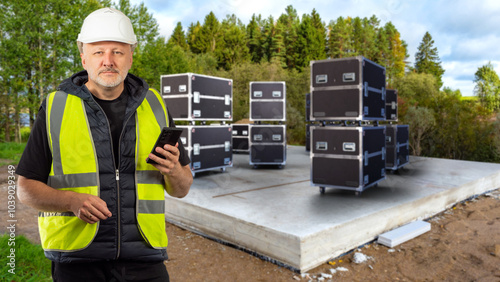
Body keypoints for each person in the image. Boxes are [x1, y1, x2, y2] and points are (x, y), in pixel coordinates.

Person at [16, 7, 193, 281]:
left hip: (145, 257)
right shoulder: (55, 107)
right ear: (83, 57)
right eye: (99, 52)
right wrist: (71, 201)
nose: (108, 61)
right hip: (77, 261)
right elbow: (25, 189)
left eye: (117, 52)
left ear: (130, 57)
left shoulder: (155, 105)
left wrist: (174, 171)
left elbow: (182, 188)